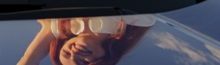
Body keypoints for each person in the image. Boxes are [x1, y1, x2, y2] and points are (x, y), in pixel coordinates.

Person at [16, 16, 154, 65]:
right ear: (104, 59)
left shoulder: (58, 27)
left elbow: (28, 61)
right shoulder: (138, 20)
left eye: (66, 54)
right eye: (82, 63)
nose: (75, 54)